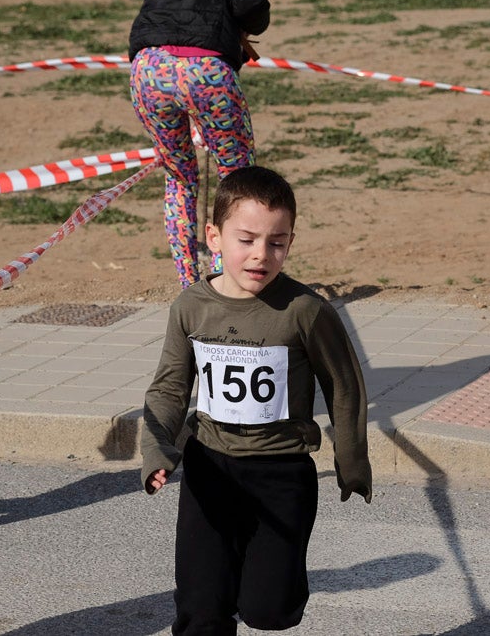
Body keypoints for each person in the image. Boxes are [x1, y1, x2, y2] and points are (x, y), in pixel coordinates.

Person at [141, 166, 372, 633]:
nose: (260, 255)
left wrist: (352, 461)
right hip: (209, 468)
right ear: (214, 236)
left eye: (277, 242)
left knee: (268, 609)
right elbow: (168, 387)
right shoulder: (191, 307)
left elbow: (344, 385)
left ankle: (270, 584)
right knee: (202, 606)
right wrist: (155, 450)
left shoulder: (305, 311)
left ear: (290, 241)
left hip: (281, 473)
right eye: (246, 239)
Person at [104, 0, 270, 289]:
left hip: (151, 68)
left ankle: (189, 288)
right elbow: (248, 2)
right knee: (237, 179)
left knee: (179, 177)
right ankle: (226, 283)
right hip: (208, 68)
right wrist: (250, 22)